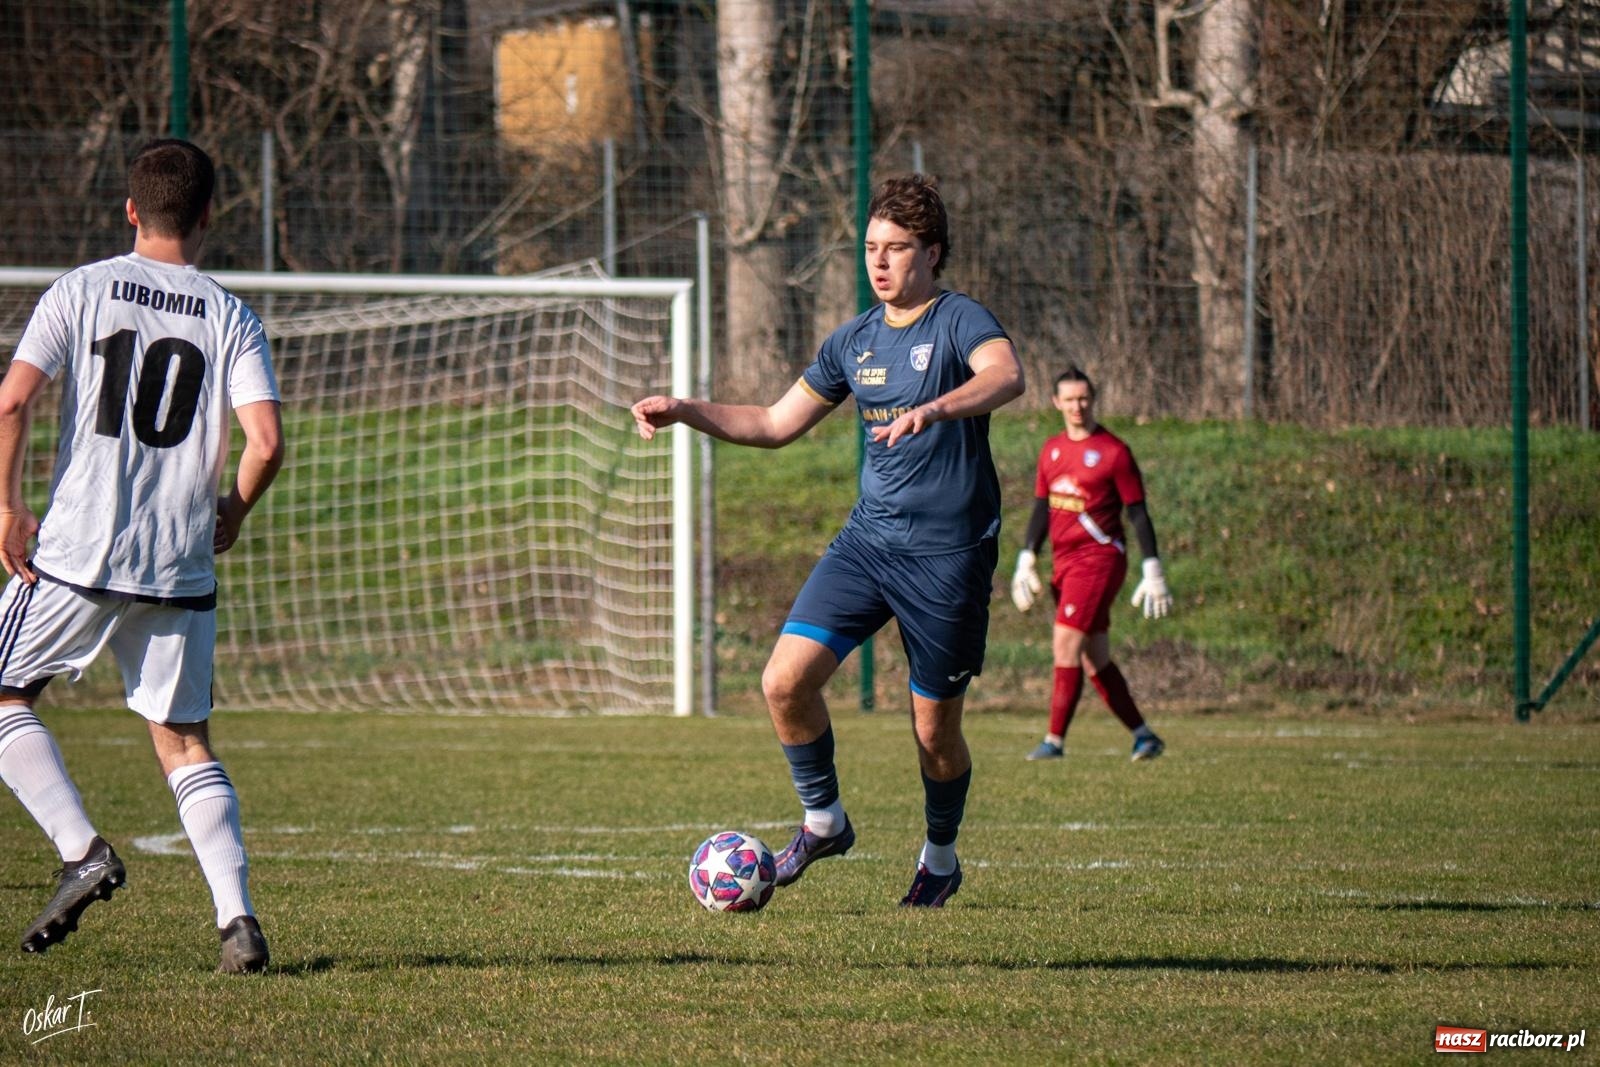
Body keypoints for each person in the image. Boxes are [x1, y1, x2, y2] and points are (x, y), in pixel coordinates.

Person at [633, 174, 1024, 907]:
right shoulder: (854, 340)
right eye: (872, 248)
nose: (880, 263)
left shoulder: (961, 320)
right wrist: (687, 409)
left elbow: (1007, 375)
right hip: (868, 544)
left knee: (934, 734)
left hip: (948, 557)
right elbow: (776, 424)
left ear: (932, 253)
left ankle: (939, 858)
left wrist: (935, 409)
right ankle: (825, 821)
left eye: (898, 249)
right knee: (783, 680)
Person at [0, 139, 284, 973]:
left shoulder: (81, 290)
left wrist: (9, 505)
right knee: (185, 739)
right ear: (206, 217)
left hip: (84, 548)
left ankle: (81, 848)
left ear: (131, 209)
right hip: (178, 561)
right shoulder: (231, 314)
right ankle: (238, 922)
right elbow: (266, 441)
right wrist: (232, 506)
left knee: (7, 690)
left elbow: (12, 398)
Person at [1009, 366, 1170, 762]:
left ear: (1093, 399)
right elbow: (1042, 507)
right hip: (1064, 563)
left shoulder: (1114, 452)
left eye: (1083, 398)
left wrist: (1153, 567)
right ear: (1056, 403)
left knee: (1065, 643)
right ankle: (1144, 735)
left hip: (1098, 560)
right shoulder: (1052, 450)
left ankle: (1054, 741)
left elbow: (1138, 513)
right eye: (1069, 399)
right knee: (1093, 655)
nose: (1077, 406)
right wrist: (1027, 555)